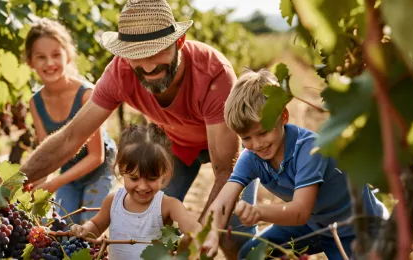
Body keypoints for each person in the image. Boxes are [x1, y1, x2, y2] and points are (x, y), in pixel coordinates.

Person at [19, 0, 257, 257]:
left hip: (226, 150)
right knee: (147, 224)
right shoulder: (120, 73)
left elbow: (225, 171)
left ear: (179, 42)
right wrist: (11, 183)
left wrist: (195, 242)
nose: (147, 65)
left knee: (231, 238)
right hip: (176, 147)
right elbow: (70, 138)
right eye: (136, 55)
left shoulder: (213, 74)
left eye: (156, 51)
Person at [201, 69, 390, 259]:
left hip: (355, 228)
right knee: (251, 255)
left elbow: (300, 212)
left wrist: (258, 212)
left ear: (283, 116)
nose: (256, 144)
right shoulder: (251, 156)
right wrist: (211, 235)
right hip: (313, 225)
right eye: (246, 137)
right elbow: (223, 201)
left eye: (263, 133)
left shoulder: (308, 149)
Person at [24, 18, 117, 224]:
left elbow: (96, 156)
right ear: (30, 61)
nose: (49, 63)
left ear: (68, 56)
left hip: (99, 170)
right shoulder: (35, 102)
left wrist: (54, 184)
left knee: (88, 227)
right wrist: (29, 188)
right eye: (41, 57)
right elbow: (47, 155)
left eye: (56, 55)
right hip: (68, 170)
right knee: (62, 228)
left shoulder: (86, 95)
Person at [69, 124, 202, 259]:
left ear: (165, 173)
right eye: (134, 178)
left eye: (151, 178)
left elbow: (192, 228)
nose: (143, 186)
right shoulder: (113, 201)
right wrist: (84, 230)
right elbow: (97, 226)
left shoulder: (168, 206)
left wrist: (197, 239)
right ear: (121, 169)